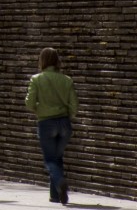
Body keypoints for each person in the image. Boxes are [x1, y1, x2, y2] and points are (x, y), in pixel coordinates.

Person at [26, 47, 77, 204]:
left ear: (42, 61)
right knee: (57, 157)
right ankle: (55, 195)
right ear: (57, 61)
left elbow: (29, 102)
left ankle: (60, 182)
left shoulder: (36, 79)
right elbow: (74, 105)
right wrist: (68, 116)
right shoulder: (67, 80)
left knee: (50, 160)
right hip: (64, 123)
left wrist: (39, 110)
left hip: (46, 122)